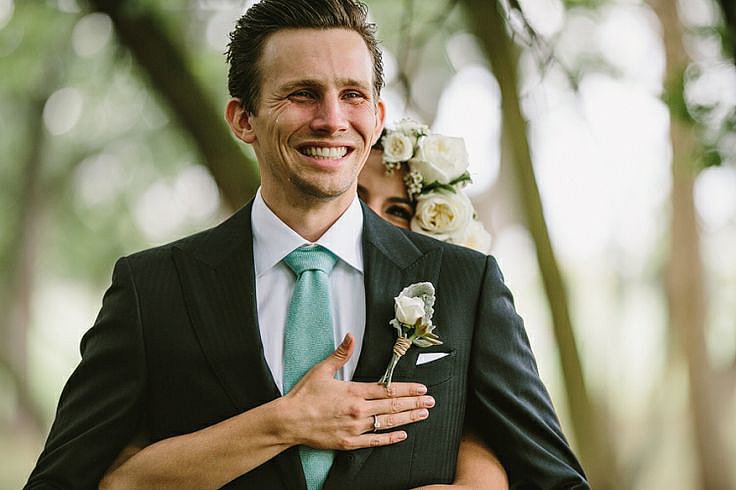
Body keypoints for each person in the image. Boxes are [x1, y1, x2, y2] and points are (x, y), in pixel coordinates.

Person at [25, 1, 588, 489]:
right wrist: (284, 422)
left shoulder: (468, 283)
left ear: (377, 114)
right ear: (243, 119)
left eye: (352, 95)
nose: (332, 119)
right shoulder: (152, 289)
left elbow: (556, 480)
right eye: (302, 95)